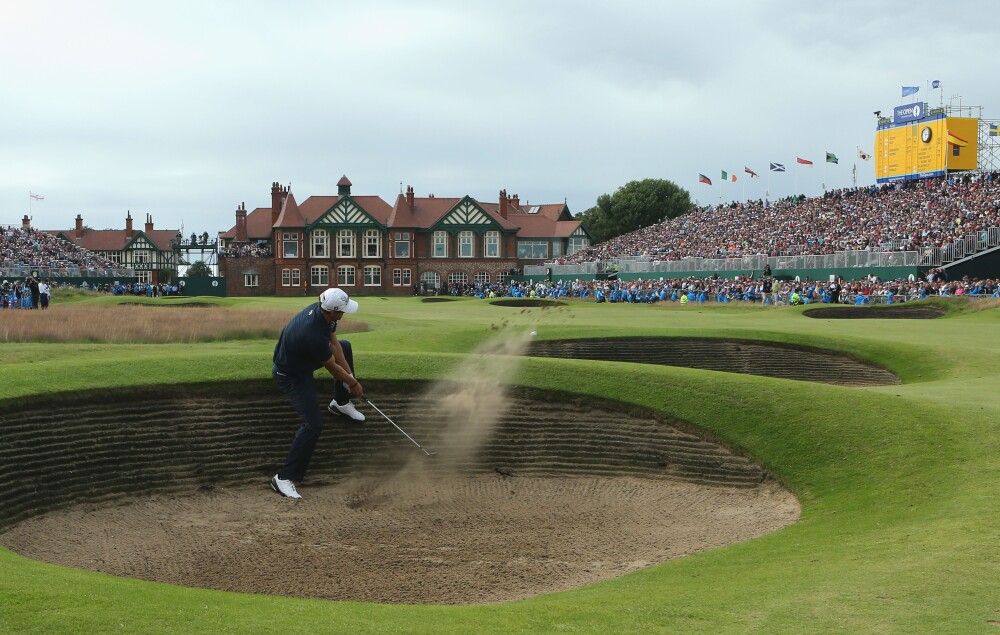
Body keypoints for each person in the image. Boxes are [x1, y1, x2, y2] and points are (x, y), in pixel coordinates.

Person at [270, 288, 365, 500]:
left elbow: (336, 346)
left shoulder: (325, 314)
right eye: (342, 310)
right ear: (332, 311)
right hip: (291, 375)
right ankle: (284, 477)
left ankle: (340, 403)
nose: (345, 313)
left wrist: (350, 378)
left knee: (345, 346)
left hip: (301, 362)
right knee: (313, 425)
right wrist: (353, 383)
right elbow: (332, 367)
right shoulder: (311, 333)